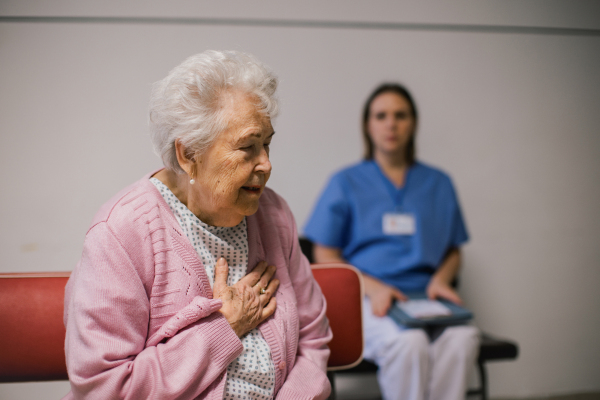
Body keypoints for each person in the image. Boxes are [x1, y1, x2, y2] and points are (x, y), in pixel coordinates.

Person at [63, 50, 332, 400]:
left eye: (267, 144)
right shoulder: (122, 233)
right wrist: (225, 328)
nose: (266, 164)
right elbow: (106, 388)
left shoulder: (274, 214)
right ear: (188, 154)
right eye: (247, 147)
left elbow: (313, 336)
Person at [304, 83, 479, 400]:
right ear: (367, 125)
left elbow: (454, 250)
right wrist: (372, 287)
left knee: (463, 337)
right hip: (370, 301)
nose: (391, 124)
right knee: (408, 343)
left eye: (400, 115)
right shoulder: (345, 182)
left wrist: (442, 280)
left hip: (426, 296)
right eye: (381, 115)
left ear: (413, 123)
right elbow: (324, 252)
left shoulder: (439, 183)